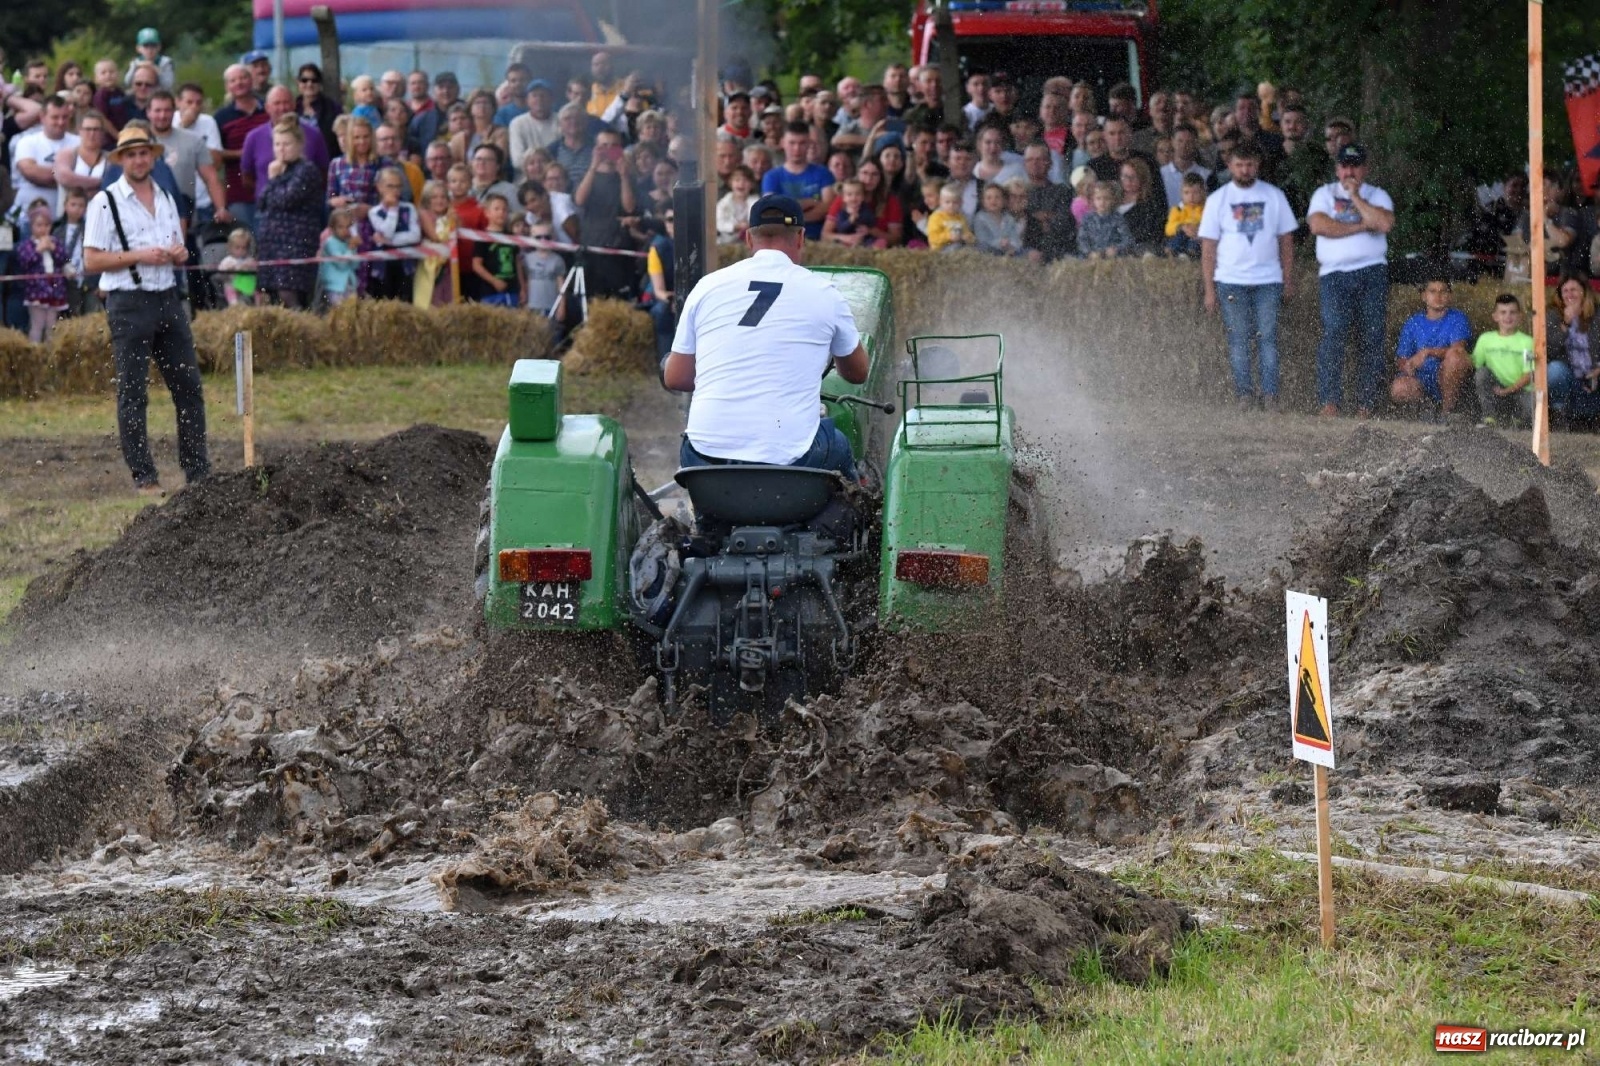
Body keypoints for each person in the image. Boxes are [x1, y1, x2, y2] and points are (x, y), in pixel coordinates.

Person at [663, 194, 868, 480]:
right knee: (840, 443)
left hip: (703, 458)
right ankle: (858, 506)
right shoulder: (825, 293)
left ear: (748, 238)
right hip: (792, 460)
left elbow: (676, 378)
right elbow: (857, 374)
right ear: (801, 238)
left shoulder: (706, 287)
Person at [84, 125, 207, 495]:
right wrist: (138, 255)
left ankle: (198, 472)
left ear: (152, 157)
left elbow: (177, 244)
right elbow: (92, 260)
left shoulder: (166, 196)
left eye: (143, 153)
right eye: (131, 154)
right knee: (133, 392)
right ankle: (144, 476)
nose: (138, 160)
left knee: (189, 386)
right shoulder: (104, 201)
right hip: (128, 301)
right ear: (121, 160)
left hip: (167, 296)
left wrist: (179, 253)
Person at [1199, 142, 1297, 411]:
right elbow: (1208, 247)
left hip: (1268, 280)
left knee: (1268, 338)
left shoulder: (1274, 196)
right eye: (1239, 165)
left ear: (1257, 165)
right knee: (1238, 339)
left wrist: (1288, 279)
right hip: (1231, 280)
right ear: (1230, 166)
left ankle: (1270, 395)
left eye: (1249, 165)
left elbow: (1286, 241)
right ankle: (1245, 394)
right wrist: (1209, 289)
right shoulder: (1217, 200)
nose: (1244, 170)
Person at [1309, 143, 1395, 417]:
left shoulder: (1378, 194)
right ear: (1337, 169)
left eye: (1355, 166)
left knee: (1372, 335)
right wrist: (1361, 226)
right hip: (1333, 275)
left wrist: (1355, 197)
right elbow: (1319, 225)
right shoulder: (1323, 194)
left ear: (1364, 168)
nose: (1349, 172)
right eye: (1344, 166)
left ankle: (1365, 405)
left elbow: (1383, 224)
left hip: (1372, 272)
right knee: (1334, 333)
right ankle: (1329, 402)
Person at [256, 116, 325, 308]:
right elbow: (262, 202)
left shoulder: (307, 170)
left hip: (295, 243)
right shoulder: (280, 169)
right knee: (273, 297)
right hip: (272, 243)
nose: (281, 149)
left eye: (286, 144)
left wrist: (273, 178)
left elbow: (285, 199)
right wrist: (273, 178)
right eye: (277, 144)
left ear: (300, 145)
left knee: (289, 293)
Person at [1389, 278, 1473, 417]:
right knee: (1399, 387)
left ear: (1450, 296)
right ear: (1424, 296)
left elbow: (1459, 350)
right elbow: (1402, 359)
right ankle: (1424, 409)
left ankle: (1447, 412)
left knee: (1455, 357)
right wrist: (1408, 366)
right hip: (1421, 378)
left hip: (1446, 376)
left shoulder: (1458, 318)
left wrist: (1427, 352)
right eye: (1432, 291)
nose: (1438, 296)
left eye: (1443, 291)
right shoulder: (1413, 323)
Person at [9, 95, 77, 221]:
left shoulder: (79, 143)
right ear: (42, 117)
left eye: (65, 117)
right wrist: (68, 175)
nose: (61, 122)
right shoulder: (26, 142)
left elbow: (89, 172)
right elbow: (31, 173)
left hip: (68, 217)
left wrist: (59, 175)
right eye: (55, 117)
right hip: (28, 215)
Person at [215, 64, 268, 229]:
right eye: (233, 80)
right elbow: (215, 154)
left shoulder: (268, 108)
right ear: (227, 86)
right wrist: (242, 154)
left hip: (270, 190)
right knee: (245, 240)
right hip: (238, 193)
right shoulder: (221, 117)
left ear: (251, 80)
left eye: (243, 78)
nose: (239, 83)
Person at [761, 121, 833, 239]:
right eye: (792, 143)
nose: (797, 149)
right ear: (783, 143)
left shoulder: (823, 173)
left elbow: (827, 207)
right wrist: (811, 202)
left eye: (802, 143)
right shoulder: (771, 176)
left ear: (809, 144)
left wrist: (790, 217)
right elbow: (772, 212)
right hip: (783, 239)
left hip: (816, 238)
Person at [1472, 293, 1535, 425]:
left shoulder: (1529, 342)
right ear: (1495, 316)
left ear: (1520, 316)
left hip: (1520, 391)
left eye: (1512, 312)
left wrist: (1507, 391)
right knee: (1481, 374)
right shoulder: (1485, 339)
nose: (1508, 316)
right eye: (1503, 312)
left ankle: (1517, 421)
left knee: (1532, 402)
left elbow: (1529, 374)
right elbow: (1475, 365)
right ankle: (1490, 417)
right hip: (1496, 391)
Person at [1547, 273, 1600, 419]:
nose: (1569, 294)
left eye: (1574, 290)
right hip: (1569, 378)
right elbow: (1549, 350)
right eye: (1565, 291)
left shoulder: (1597, 315)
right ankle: (1559, 414)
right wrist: (1565, 323)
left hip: (1594, 378)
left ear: (1584, 292)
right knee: (1555, 370)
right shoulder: (1553, 315)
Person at [367, 167, 422, 300]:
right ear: (379, 187)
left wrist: (390, 242)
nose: (395, 190)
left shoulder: (409, 208)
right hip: (383, 266)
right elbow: (387, 232)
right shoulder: (374, 212)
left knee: (405, 299)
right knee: (384, 300)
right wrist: (392, 210)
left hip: (405, 265)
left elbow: (415, 235)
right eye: (390, 186)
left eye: (398, 186)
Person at [17, 203, 67, 342]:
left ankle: (50, 352)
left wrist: (53, 248)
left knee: (52, 326)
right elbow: (25, 262)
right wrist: (38, 250)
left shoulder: (55, 242)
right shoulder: (27, 245)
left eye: (46, 225)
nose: (43, 229)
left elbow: (63, 258)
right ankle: (35, 351)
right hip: (36, 292)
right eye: (39, 225)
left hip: (55, 291)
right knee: (37, 325)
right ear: (31, 226)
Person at [471, 193, 523, 306]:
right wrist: (494, 281)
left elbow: (517, 262)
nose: (501, 212)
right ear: (487, 213)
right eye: (497, 209)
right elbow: (476, 265)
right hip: (490, 292)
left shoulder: (511, 237)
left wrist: (522, 287)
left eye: (505, 210)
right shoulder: (482, 237)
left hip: (512, 290)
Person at [54, 186, 99, 316]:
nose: (77, 209)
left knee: (89, 314)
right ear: (65, 206)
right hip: (64, 281)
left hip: (87, 278)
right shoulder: (57, 230)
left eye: (81, 205)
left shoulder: (90, 229)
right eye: (73, 204)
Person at [1079, 181, 1135, 259]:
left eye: (1106, 198)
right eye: (1098, 198)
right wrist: (1089, 253)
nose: (1102, 202)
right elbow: (1082, 240)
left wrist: (1117, 249)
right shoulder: (1087, 219)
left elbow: (1128, 239)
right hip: (1093, 257)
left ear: (1113, 200)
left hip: (1113, 258)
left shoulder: (1118, 219)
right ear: (1093, 200)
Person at [294, 63, 341, 151]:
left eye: (314, 80)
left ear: (320, 83)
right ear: (298, 82)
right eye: (304, 80)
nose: (309, 84)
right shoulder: (292, 108)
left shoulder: (332, 108)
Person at [974, 181, 1023, 256]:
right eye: (989, 198)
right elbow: (982, 239)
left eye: (997, 197)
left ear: (1004, 201)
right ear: (983, 202)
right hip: (989, 251)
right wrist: (1000, 243)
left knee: (1024, 252)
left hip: (1008, 250)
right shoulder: (980, 218)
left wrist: (1011, 245)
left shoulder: (1009, 218)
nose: (993, 201)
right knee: (983, 247)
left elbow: (1015, 237)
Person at [1165, 172, 1206, 258]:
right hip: (1182, 237)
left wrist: (1197, 229)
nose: (1191, 197)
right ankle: (1172, 252)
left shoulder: (1207, 210)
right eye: (1187, 193)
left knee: (1195, 241)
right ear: (1181, 194)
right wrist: (1181, 227)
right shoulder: (1178, 210)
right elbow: (1168, 228)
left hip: (1197, 238)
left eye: (1195, 193)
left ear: (1203, 193)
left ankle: (1190, 254)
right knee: (1180, 235)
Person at [216, 227, 259, 306]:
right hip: (233, 288)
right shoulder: (227, 261)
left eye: (244, 248)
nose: (240, 251)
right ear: (230, 247)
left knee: (256, 295)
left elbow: (256, 271)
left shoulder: (249, 260)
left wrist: (249, 268)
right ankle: (235, 307)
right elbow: (220, 274)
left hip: (247, 287)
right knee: (231, 292)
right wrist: (229, 270)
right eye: (237, 247)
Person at [717, 164, 757, 242]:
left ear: (752, 184)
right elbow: (719, 223)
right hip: (726, 242)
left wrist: (749, 225)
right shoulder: (723, 203)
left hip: (750, 241)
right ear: (730, 183)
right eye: (737, 180)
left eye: (745, 180)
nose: (741, 183)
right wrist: (736, 226)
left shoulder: (756, 202)